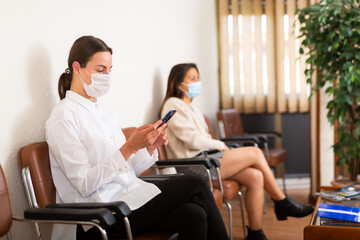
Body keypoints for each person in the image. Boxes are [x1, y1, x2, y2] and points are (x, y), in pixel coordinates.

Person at [46, 36, 229, 240]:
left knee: (194, 215)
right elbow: (85, 184)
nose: (106, 76)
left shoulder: (104, 112)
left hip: (126, 199)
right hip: (95, 218)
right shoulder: (63, 117)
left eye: (109, 70)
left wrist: (149, 147)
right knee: (195, 184)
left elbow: (127, 170)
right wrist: (129, 147)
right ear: (77, 68)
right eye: (100, 70)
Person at [160, 63, 315, 240]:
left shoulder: (191, 107)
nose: (197, 82)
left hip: (207, 159)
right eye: (192, 79)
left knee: (256, 177)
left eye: (198, 78)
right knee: (255, 153)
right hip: (194, 166)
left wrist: (215, 145)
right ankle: (282, 202)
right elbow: (192, 139)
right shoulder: (173, 104)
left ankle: (256, 234)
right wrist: (218, 144)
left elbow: (200, 138)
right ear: (179, 84)